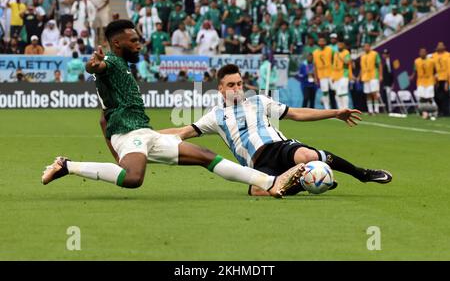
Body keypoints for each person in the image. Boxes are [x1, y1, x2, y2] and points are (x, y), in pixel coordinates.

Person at [41, 20, 302, 199]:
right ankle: (67, 166)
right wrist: (93, 66)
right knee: (133, 179)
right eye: (134, 41)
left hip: (142, 134)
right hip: (131, 134)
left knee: (205, 155)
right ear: (117, 44)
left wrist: (115, 149)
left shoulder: (120, 67)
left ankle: (269, 182)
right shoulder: (111, 61)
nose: (139, 44)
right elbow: (97, 67)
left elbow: (102, 120)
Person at [159, 64, 392, 197]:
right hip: (257, 162)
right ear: (220, 89)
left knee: (308, 156)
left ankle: (363, 174)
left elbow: (297, 113)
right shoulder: (215, 116)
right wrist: (146, 135)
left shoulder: (259, 101)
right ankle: (306, 181)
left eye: (240, 83)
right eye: (231, 85)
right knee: (258, 191)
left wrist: (334, 113)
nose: (237, 88)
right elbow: (183, 131)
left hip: (280, 148)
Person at [410, 48, 437, 120]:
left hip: (430, 81)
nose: (422, 53)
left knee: (429, 98)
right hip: (420, 82)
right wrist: (412, 76)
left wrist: (436, 78)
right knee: (422, 98)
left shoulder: (431, 61)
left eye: (423, 52)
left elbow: (435, 71)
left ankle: (432, 112)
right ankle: (425, 113)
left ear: (426, 53)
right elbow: (415, 71)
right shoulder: (416, 61)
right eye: (421, 52)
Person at [359, 44, 383, 115]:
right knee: (368, 94)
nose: (366, 48)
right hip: (365, 77)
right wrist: (359, 76)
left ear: (370, 47)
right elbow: (362, 68)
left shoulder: (375, 54)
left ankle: (376, 110)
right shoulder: (362, 56)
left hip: (373, 76)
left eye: (367, 46)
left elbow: (379, 64)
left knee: (374, 93)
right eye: (364, 47)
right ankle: (370, 110)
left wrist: (381, 75)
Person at [312, 37, 333, 109]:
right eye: (320, 41)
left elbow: (334, 61)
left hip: (331, 73)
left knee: (335, 89)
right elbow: (314, 66)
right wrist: (315, 77)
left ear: (325, 42)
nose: (321, 43)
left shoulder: (330, 50)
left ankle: (324, 100)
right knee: (325, 91)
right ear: (318, 43)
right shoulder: (315, 53)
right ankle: (327, 108)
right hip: (322, 75)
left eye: (323, 41)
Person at [331, 41, 352, 109]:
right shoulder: (335, 54)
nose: (339, 46)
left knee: (343, 91)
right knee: (337, 93)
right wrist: (333, 76)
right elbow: (334, 66)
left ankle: (346, 108)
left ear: (343, 45)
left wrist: (340, 57)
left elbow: (347, 62)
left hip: (344, 74)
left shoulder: (346, 52)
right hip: (336, 76)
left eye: (341, 44)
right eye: (338, 44)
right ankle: (340, 109)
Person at [432, 42, 449, 116]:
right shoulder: (434, 56)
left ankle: (446, 112)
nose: (440, 47)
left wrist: (447, 81)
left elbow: (449, 68)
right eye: (438, 45)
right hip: (437, 79)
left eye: (441, 45)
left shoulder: (448, 55)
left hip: (445, 78)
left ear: (444, 47)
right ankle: (440, 110)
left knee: (446, 96)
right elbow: (433, 68)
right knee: (436, 96)